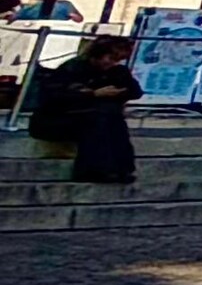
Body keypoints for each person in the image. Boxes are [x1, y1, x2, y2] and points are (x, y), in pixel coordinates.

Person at [40, 35, 137, 187]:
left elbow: (135, 91)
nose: (112, 63)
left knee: (113, 119)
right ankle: (91, 169)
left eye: (117, 59)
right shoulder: (73, 68)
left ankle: (120, 168)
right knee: (98, 120)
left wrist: (120, 91)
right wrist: (92, 94)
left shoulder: (117, 71)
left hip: (97, 115)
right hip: (59, 118)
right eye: (110, 58)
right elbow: (54, 96)